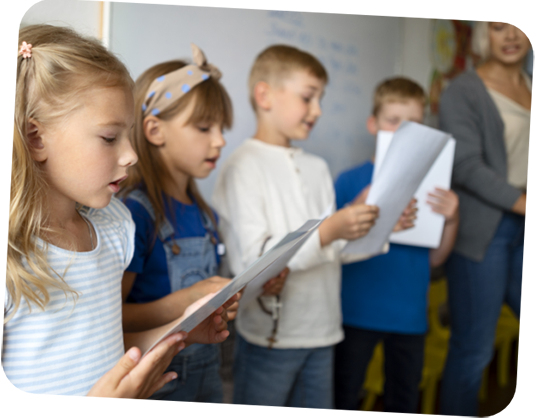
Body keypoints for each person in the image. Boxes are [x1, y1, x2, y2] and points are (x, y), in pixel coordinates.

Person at [2, 25, 235, 419]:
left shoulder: (114, 228)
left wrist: (179, 331)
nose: (131, 155)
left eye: (128, 136)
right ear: (36, 138)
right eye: (110, 138)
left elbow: (112, 353)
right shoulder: (9, 257)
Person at [213, 45, 414, 418]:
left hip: (324, 331)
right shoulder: (243, 166)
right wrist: (328, 231)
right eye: (308, 97)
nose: (318, 110)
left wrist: (377, 225)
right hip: (271, 339)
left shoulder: (319, 167)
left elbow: (334, 249)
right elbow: (252, 263)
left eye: (321, 98)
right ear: (265, 95)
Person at [118, 44, 257, 418]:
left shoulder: (206, 213)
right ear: (154, 130)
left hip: (208, 373)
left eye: (221, 129)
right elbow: (115, 314)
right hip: (161, 380)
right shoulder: (136, 213)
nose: (220, 140)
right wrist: (187, 301)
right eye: (203, 128)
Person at [333, 77, 459, 418]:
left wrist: (451, 221)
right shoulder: (348, 181)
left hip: (409, 316)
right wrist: (357, 210)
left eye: (414, 125)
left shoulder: (433, 188)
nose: (403, 132)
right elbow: (330, 249)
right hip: (355, 312)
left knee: (403, 403)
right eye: (393, 121)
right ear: (373, 125)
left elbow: (437, 259)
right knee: (343, 396)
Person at [438, 16, 535, 418]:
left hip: (529, 228)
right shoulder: (463, 91)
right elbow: (465, 166)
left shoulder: (531, 87)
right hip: (484, 231)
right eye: (498, 26)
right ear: (483, 34)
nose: (510, 35)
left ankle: (459, 306)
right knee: (474, 349)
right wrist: (525, 203)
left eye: (519, 25)